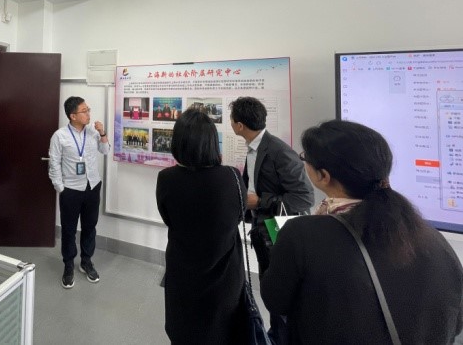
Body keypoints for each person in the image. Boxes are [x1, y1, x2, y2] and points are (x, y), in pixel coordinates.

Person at [261, 120, 463, 345]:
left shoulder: (302, 234)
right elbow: (455, 319)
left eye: (304, 157)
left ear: (323, 176)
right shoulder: (430, 235)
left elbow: (276, 301)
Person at [156, 108, 247, 344]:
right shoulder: (231, 177)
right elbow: (239, 215)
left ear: (178, 143)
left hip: (183, 272)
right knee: (223, 331)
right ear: (212, 142)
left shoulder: (167, 178)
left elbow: (168, 218)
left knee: (184, 330)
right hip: (225, 274)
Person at [230, 96, 314, 344]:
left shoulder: (279, 151)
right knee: (270, 288)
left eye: (232, 119)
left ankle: (283, 337)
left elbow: (304, 197)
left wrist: (260, 202)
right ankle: (276, 335)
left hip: (278, 231)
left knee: (281, 292)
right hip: (262, 230)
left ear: (240, 125)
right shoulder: (254, 149)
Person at [48, 96, 109, 288]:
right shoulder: (60, 136)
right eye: (84, 111)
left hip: (92, 186)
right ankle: (68, 265)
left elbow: (105, 150)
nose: (88, 113)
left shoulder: (92, 132)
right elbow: (54, 163)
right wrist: (60, 187)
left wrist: (102, 132)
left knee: (90, 226)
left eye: (88, 109)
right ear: (73, 116)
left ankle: (86, 261)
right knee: (69, 229)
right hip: (71, 190)